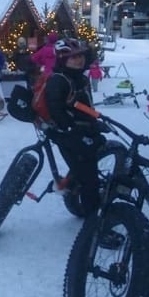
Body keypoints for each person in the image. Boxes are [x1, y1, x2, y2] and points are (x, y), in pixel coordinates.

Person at [44, 38, 105, 215]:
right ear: (62, 59)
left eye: (80, 56)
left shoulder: (79, 77)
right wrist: (72, 129)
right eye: (73, 57)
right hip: (68, 133)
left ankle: (73, 183)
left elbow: (83, 104)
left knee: (91, 156)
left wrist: (95, 120)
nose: (79, 60)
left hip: (83, 127)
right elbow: (56, 110)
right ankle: (93, 220)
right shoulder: (59, 80)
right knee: (89, 179)